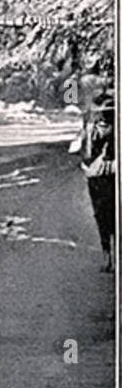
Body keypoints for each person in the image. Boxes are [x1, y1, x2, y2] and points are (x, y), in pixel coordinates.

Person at [69, 91, 116, 272]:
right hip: (100, 175)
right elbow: (80, 148)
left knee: (103, 216)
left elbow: (79, 149)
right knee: (105, 216)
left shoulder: (92, 125)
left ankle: (108, 256)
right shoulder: (93, 126)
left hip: (98, 175)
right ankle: (109, 255)